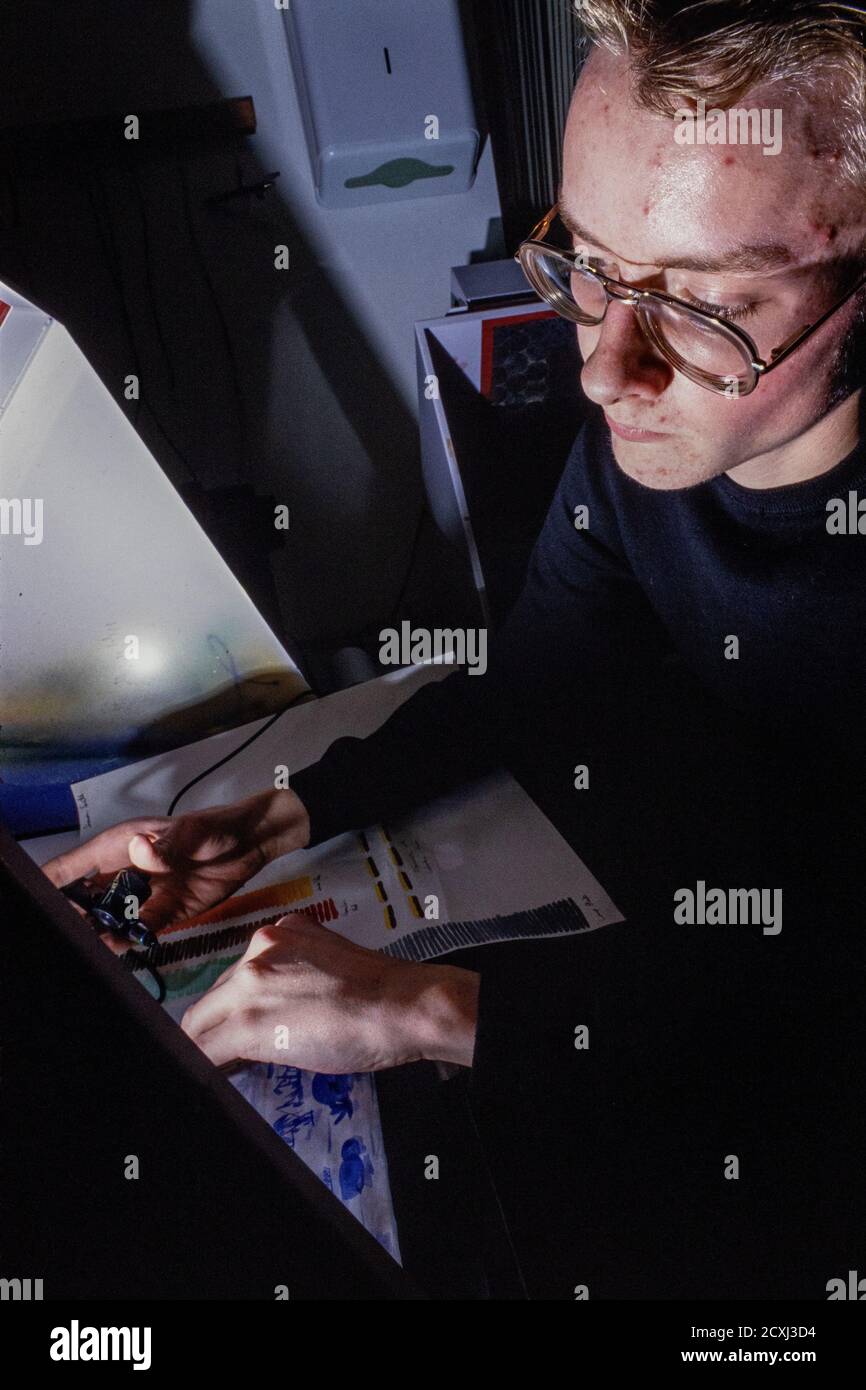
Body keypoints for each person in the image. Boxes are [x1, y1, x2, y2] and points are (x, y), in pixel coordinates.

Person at [43, 0, 866, 1297]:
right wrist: (272, 818)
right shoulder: (645, 437)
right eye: (587, 264)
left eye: (704, 308)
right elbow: (539, 686)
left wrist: (431, 1011)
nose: (602, 370)